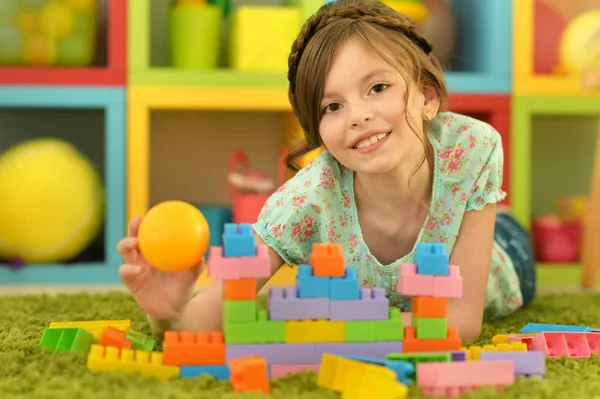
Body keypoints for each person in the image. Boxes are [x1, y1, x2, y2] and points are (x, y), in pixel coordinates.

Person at [117, 0, 536, 342]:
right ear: (318, 129)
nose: (358, 116)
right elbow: (208, 318)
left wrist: (340, 330)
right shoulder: (305, 202)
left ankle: (498, 212)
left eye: (377, 88)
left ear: (427, 97)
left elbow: (461, 319)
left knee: (498, 222)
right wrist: (170, 315)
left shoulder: (473, 149)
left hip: (505, 257)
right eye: (332, 106)